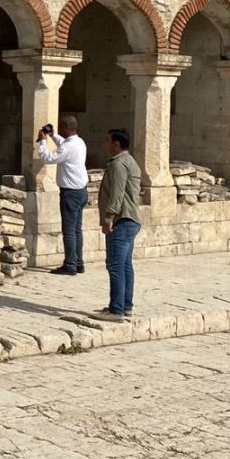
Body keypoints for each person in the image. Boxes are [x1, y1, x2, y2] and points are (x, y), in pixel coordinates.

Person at [98, 128, 142, 322]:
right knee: (125, 265)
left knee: (115, 265)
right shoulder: (130, 161)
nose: (105, 144)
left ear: (116, 144)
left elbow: (117, 193)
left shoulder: (118, 164)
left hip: (121, 220)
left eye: (108, 141)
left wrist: (109, 217)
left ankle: (116, 310)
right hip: (130, 219)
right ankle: (125, 305)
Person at [37, 115, 89, 275]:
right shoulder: (79, 142)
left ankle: (70, 265)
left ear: (66, 128)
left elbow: (47, 158)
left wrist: (43, 141)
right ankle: (79, 262)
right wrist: (53, 136)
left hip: (70, 194)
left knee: (69, 231)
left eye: (61, 127)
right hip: (81, 191)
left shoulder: (68, 147)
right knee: (77, 230)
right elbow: (64, 145)